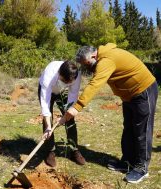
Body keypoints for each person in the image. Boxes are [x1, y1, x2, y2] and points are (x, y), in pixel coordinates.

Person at [60, 43, 158, 183]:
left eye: (86, 63)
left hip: (144, 91)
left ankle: (142, 168)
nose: (87, 67)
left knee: (142, 131)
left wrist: (77, 106)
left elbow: (95, 84)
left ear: (94, 55)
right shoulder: (103, 58)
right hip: (129, 96)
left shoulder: (106, 60)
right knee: (129, 128)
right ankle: (127, 162)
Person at [38, 60, 86, 167]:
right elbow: (45, 105)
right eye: (64, 80)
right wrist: (49, 127)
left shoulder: (76, 76)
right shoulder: (49, 75)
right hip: (48, 91)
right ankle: (50, 151)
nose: (68, 83)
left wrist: (65, 117)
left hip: (63, 92)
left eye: (69, 82)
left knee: (70, 117)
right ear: (59, 73)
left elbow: (72, 97)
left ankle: (74, 150)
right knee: (47, 121)